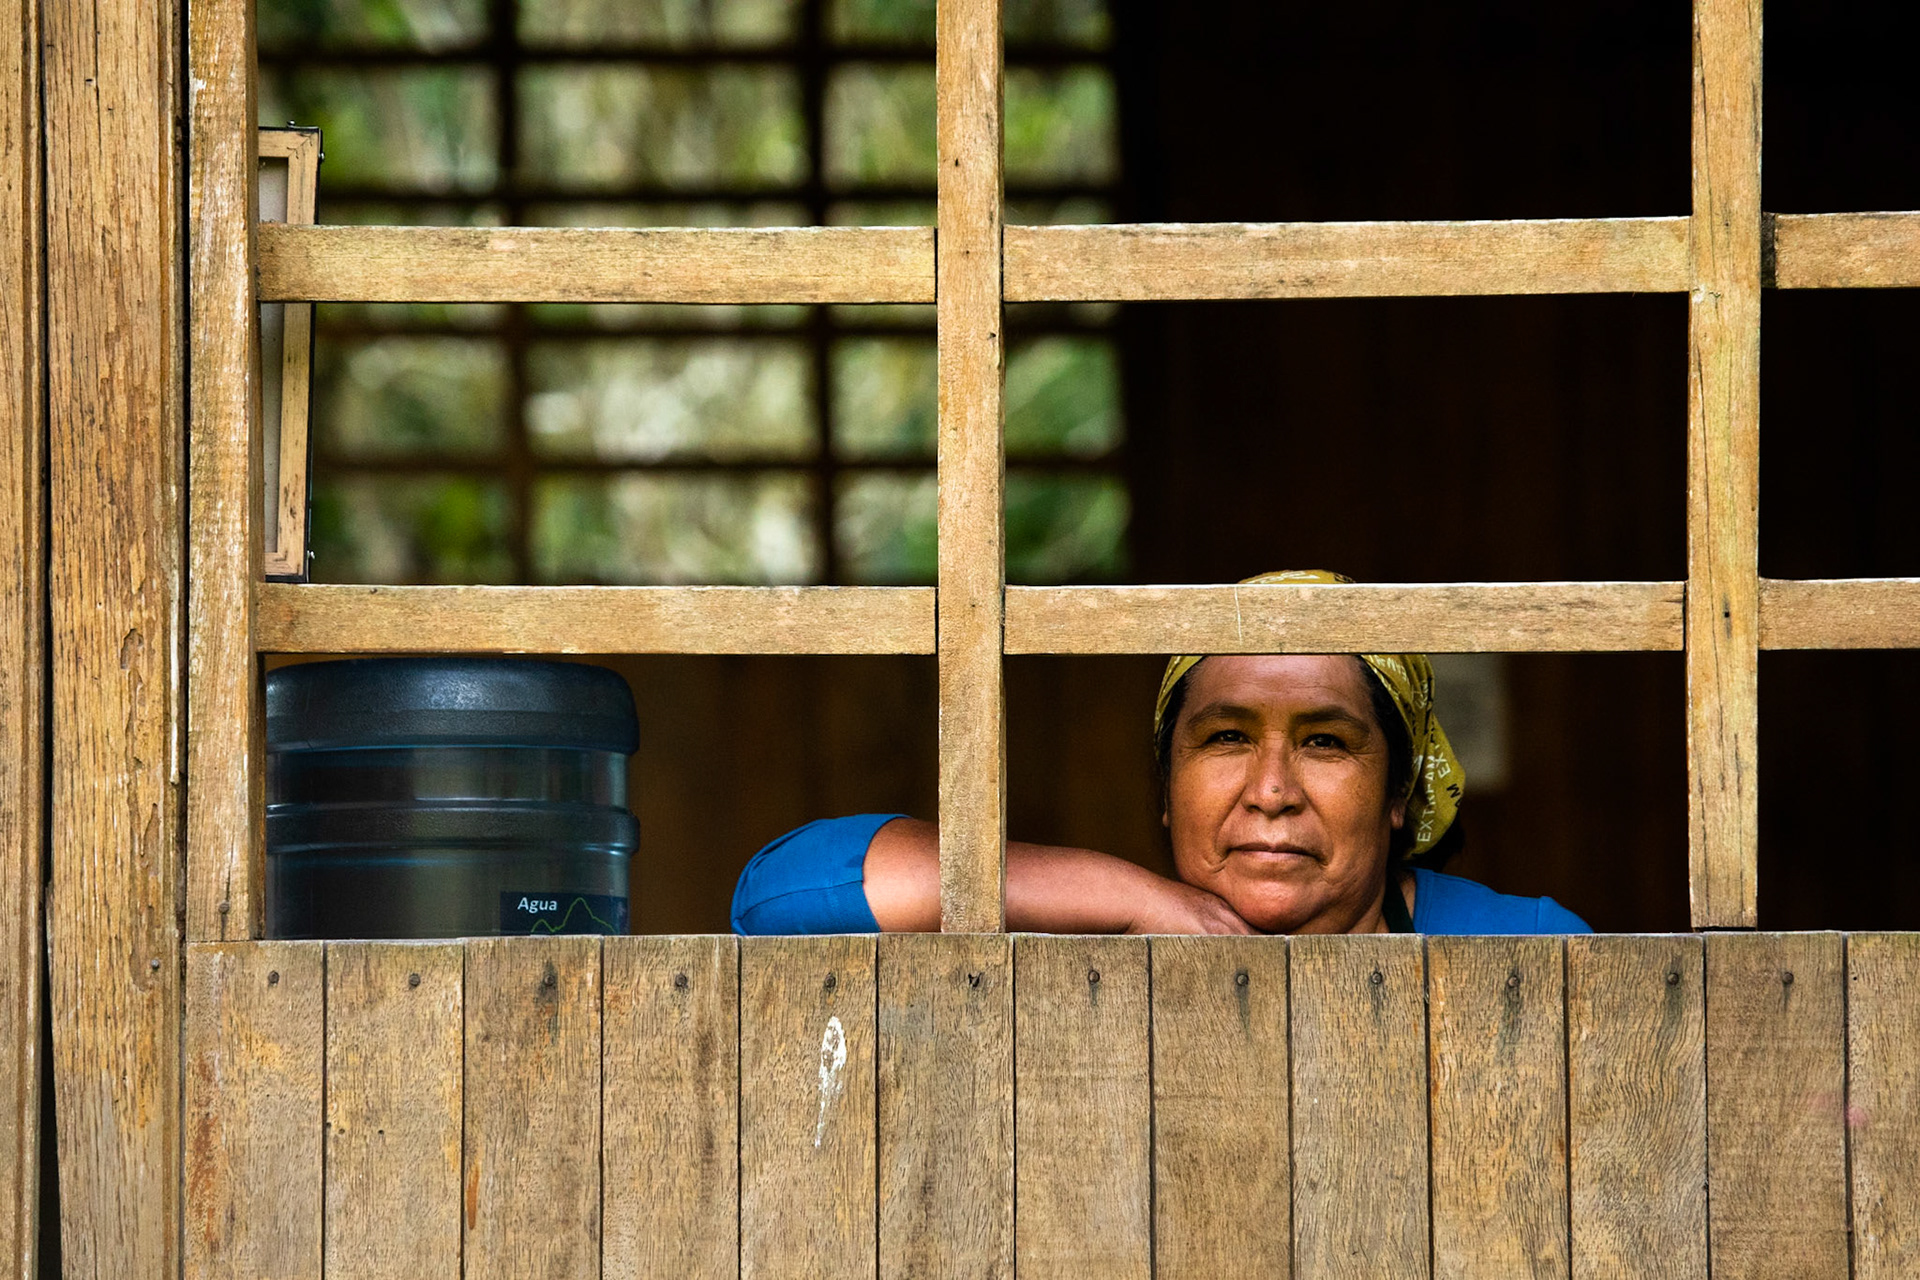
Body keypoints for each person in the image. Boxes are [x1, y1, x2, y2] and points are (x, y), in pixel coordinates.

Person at [732, 570, 1589, 936]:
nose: (1272, 790)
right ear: (1168, 787)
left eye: (1326, 741)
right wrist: (1129, 897)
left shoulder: (1524, 944)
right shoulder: (1103, 925)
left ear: (1398, 792)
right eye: (1226, 738)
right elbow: (777, 894)